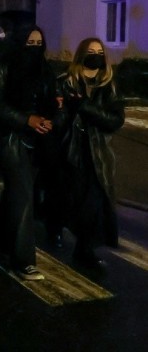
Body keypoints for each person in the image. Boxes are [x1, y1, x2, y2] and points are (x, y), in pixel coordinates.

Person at [0, 24, 59, 281]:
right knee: (23, 195)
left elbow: (50, 100)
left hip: (37, 142)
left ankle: (0, 247)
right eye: (31, 43)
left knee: (14, 195)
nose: (35, 48)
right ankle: (23, 261)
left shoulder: (45, 70)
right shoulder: (2, 66)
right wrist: (27, 120)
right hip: (10, 139)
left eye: (39, 44)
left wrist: (51, 117)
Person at [57, 38, 124, 274]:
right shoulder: (67, 83)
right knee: (70, 199)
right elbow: (58, 117)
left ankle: (85, 249)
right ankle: (57, 229)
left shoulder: (109, 85)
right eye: (90, 51)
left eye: (99, 52)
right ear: (81, 54)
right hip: (71, 150)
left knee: (93, 203)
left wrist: (85, 107)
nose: (95, 56)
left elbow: (115, 120)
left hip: (97, 154)